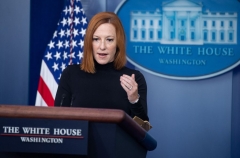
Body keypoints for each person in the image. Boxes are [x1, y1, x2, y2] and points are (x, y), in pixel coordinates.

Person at [54, 12, 149, 121]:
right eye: (96, 39)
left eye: (109, 40)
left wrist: (134, 100)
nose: (102, 46)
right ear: (89, 42)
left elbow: (143, 129)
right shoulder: (71, 74)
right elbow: (58, 123)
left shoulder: (134, 78)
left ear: (118, 43)